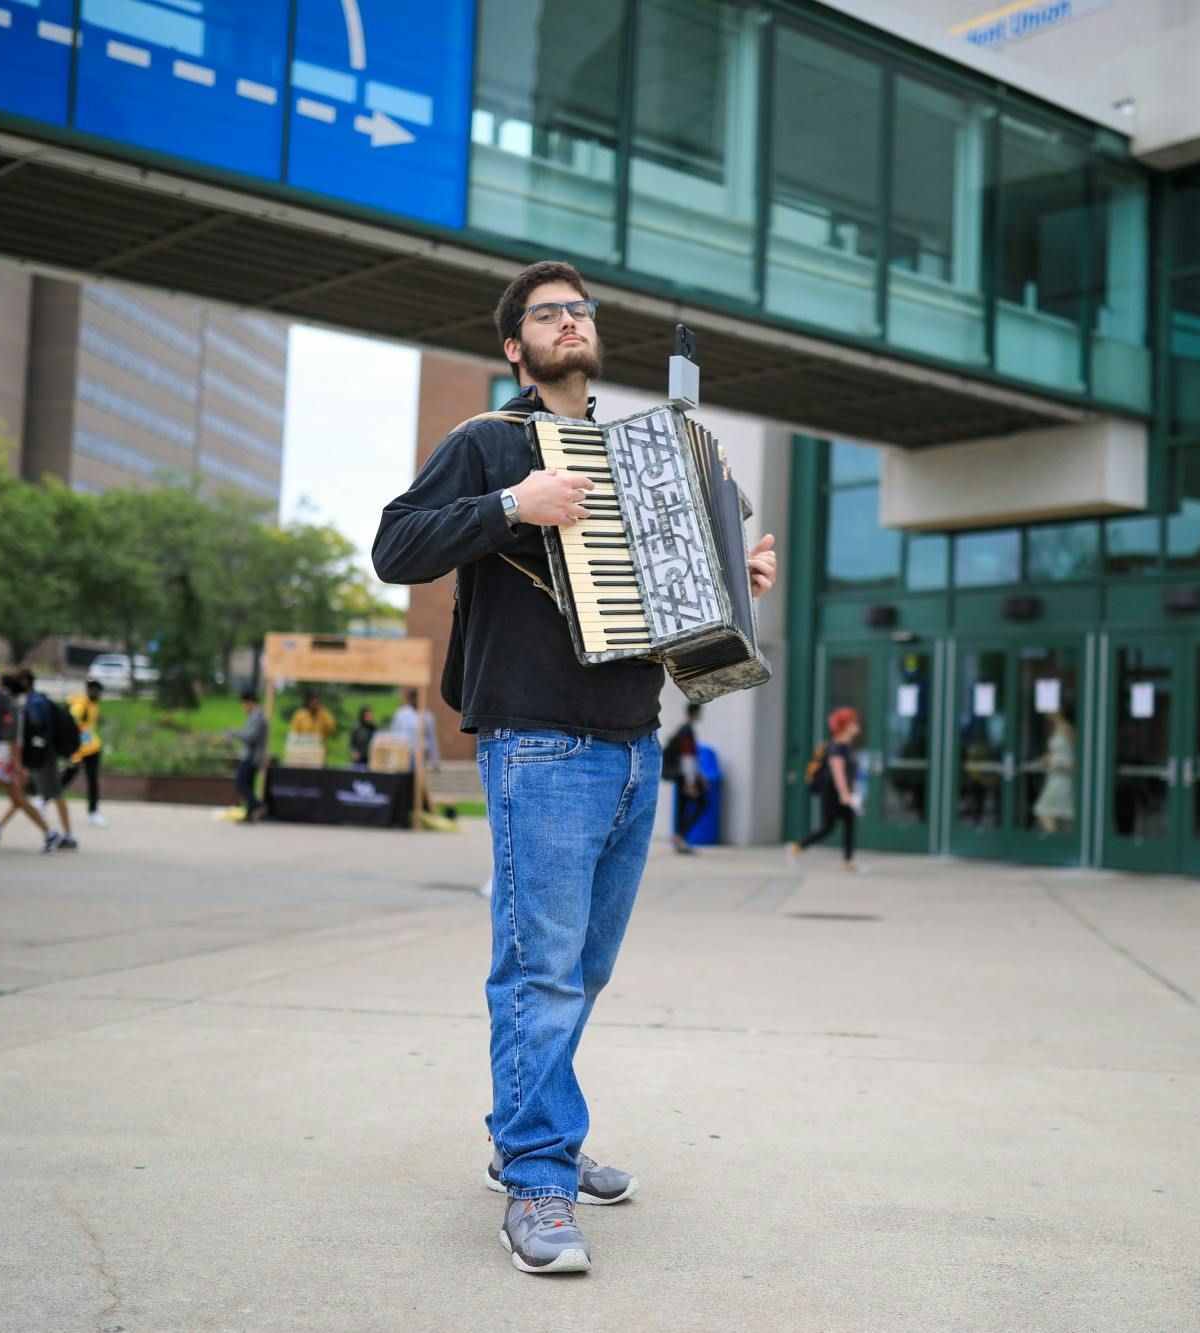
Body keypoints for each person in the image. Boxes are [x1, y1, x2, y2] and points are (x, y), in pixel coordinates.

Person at [373, 259, 777, 1275]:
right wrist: (515, 503)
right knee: (540, 968)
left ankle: (530, 1124)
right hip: (538, 739)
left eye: (579, 311)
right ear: (515, 346)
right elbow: (394, 546)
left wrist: (741, 574)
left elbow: (689, 604)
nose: (569, 322)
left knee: (582, 968)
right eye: (547, 315)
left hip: (633, 742)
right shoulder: (487, 445)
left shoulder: (649, 455)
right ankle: (539, 1180)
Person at [0, 667, 58, 853]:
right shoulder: (14, 706)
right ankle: (49, 833)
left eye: (0, 684)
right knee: (19, 800)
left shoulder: (11, 708)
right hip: (7, 759)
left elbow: (14, 739)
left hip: (4, 759)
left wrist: (17, 766)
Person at [786, 706, 864, 874]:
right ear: (845, 725)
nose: (857, 725)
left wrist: (854, 792)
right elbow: (838, 773)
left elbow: (851, 772)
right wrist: (845, 795)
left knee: (850, 824)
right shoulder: (835, 747)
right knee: (828, 828)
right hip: (832, 791)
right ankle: (796, 848)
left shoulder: (848, 745)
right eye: (853, 722)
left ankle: (849, 861)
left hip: (843, 792)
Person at [12, 669, 78, 852]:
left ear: (25, 681)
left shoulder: (35, 703)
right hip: (40, 757)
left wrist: (33, 756)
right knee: (17, 793)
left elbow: (39, 732)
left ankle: (66, 835)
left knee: (55, 793)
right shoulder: (35, 700)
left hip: (42, 758)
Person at [664, 703, 707, 854]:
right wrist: (690, 782)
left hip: (682, 776)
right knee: (702, 804)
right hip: (684, 776)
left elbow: (690, 758)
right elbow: (687, 758)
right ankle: (679, 838)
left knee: (684, 807)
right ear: (695, 713)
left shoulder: (684, 729)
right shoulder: (686, 731)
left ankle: (679, 838)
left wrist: (700, 776)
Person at [62, 680, 106, 828]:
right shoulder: (81, 704)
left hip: (92, 749)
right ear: (89, 690)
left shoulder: (92, 705)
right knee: (68, 776)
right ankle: (44, 799)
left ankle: (93, 812)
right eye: (95, 691)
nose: (98, 694)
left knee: (92, 781)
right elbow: (72, 723)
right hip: (79, 750)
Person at [1033, 710, 1077, 834]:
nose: (1047, 715)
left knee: (1044, 809)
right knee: (1061, 811)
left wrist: (1069, 766)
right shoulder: (1053, 728)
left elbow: (1076, 750)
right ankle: (1062, 839)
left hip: (1063, 774)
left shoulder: (1067, 728)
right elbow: (1053, 753)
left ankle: (1056, 839)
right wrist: (1041, 760)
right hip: (1053, 774)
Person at [227, 691, 268, 822]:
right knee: (248, 784)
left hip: (251, 756)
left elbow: (251, 737)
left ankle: (257, 804)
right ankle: (250, 814)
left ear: (250, 702)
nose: (243, 706)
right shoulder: (255, 715)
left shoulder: (257, 716)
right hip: (252, 756)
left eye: (243, 703)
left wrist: (236, 732)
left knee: (240, 782)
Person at [289, 690, 338, 759]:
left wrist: (322, 711)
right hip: (303, 753)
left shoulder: (323, 714)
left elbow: (332, 727)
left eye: (316, 701)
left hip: (319, 754)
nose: (314, 703)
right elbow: (294, 735)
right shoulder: (300, 715)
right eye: (312, 700)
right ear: (308, 701)